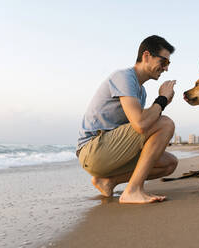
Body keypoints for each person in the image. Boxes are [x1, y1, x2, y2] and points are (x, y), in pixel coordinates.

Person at [76, 35, 178, 204]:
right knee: (165, 123)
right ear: (146, 56)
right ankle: (132, 190)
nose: (166, 68)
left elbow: (140, 124)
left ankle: (109, 182)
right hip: (93, 151)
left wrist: (162, 102)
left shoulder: (141, 91)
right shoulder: (124, 77)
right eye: (164, 62)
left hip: (110, 151)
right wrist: (162, 100)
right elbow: (140, 124)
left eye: (168, 64)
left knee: (169, 164)